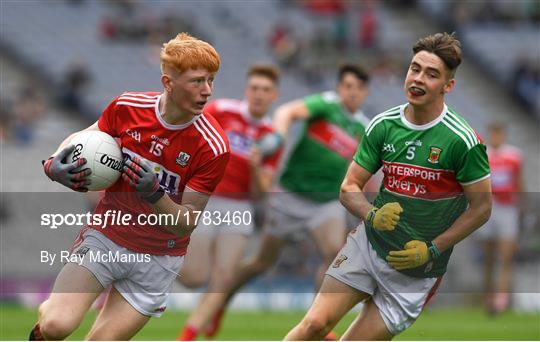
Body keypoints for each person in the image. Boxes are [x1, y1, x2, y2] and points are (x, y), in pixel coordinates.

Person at [285, 32, 492, 340]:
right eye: (415, 69)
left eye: (431, 74)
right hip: (368, 248)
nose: (418, 79)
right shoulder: (383, 125)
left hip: (416, 274)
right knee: (313, 326)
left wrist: (433, 248)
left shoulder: (462, 141)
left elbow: (482, 208)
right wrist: (372, 215)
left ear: (448, 86)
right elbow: (349, 187)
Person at [30, 33, 230, 340]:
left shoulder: (213, 146)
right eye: (197, 82)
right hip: (106, 237)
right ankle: (51, 312)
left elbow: (185, 224)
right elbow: (84, 137)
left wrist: (154, 194)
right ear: (168, 83)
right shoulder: (127, 107)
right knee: (57, 326)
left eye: (211, 81)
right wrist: (53, 163)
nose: (207, 92)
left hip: (158, 259)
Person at [185, 64, 371, 340]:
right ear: (339, 87)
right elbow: (287, 112)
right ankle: (221, 302)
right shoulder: (325, 105)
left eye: (356, 88)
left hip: (325, 203)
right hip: (290, 197)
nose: (351, 92)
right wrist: (279, 136)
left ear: (365, 92)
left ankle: (319, 319)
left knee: (334, 252)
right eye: (346, 86)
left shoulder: (364, 128)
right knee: (261, 262)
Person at [176, 64, 283, 340]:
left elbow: (263, 192)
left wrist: (257, 166)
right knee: (194, 278)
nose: (259, 94)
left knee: (224, 279)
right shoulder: (221, 111)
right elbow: (189, 140)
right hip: (206, 201)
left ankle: (187, 335)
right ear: (247, 90)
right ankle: (152, 257)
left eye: (266, 90)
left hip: (239, 206)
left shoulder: (272, 137)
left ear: (274, 96)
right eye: (255, 88)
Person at [478, 122, 523, 315]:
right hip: (488, 208)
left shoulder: (514, 156)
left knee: (505, 256)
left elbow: (518, 182)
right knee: (488, 257)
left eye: (499, 134)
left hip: (507, 209)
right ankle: (489, 297)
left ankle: (500, 299)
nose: (497, 137)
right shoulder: (482, 154)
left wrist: (520, 208)